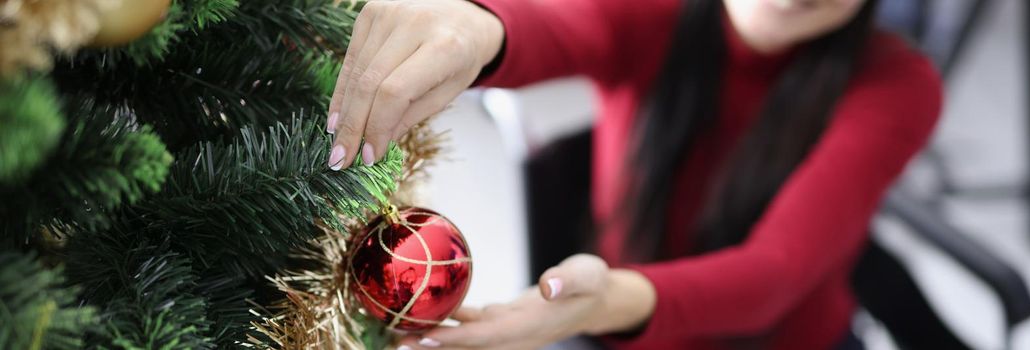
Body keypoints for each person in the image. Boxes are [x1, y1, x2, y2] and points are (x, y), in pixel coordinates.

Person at [324, 0, 942, 349]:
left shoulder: (897, 85)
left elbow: (773, 273)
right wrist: (473, 25)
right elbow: (556, 25)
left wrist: (605, 302)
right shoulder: (660, 13)